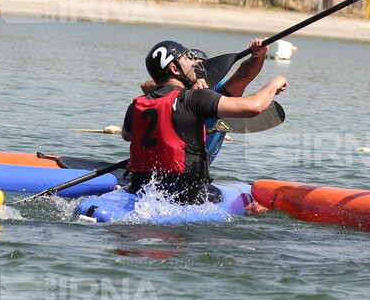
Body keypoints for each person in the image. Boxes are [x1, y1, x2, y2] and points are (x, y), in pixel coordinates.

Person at [122, 39, 287, 204]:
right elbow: (253, 107)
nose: (193, 65)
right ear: (174, 68)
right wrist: (275, 83)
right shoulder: (196, 98)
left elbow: (127, 135)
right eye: (187, 59)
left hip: (141, 186)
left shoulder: (137, 104)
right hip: (186, 193)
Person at [139, 41, 269, 163]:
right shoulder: (172, 91)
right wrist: (189, 85)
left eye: (200, 68)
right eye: (192, 67)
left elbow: (243, 76)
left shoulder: (217, 90)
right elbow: (145, 86)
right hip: (166, 162)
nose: (196, 72)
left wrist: (258, 55)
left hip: (194, 165)